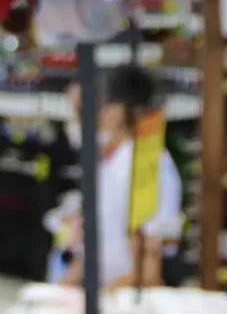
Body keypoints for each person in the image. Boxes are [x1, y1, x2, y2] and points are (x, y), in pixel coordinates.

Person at [58, 65, 183, 290]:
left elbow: (148, 274)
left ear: (113, 111)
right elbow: (90, 254)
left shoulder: (146, 166)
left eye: (80, 110)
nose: (74, 121)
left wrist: (97, 301)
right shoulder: (106, 165)